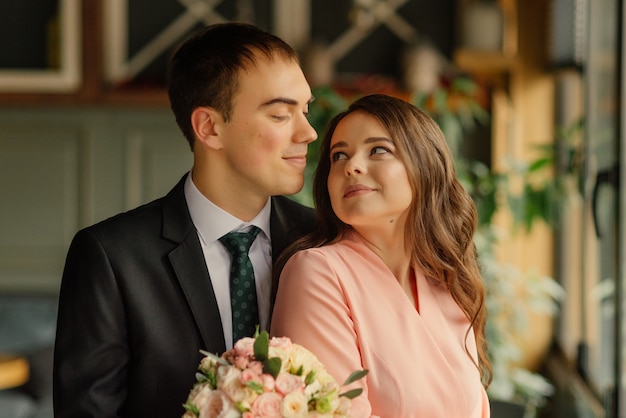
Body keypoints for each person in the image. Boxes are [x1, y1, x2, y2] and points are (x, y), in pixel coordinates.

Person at [53, 22, 318, 418]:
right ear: (209, 127)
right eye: (281, 114)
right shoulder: (112, 257)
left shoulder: (323, 240)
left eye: (306, 110)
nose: (309, 132)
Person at [271, 94, 491, 417]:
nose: (352, 166)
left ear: (424, 164)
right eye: (339, 156)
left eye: (378, 150)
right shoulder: (317, 273)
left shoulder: (445, 277)